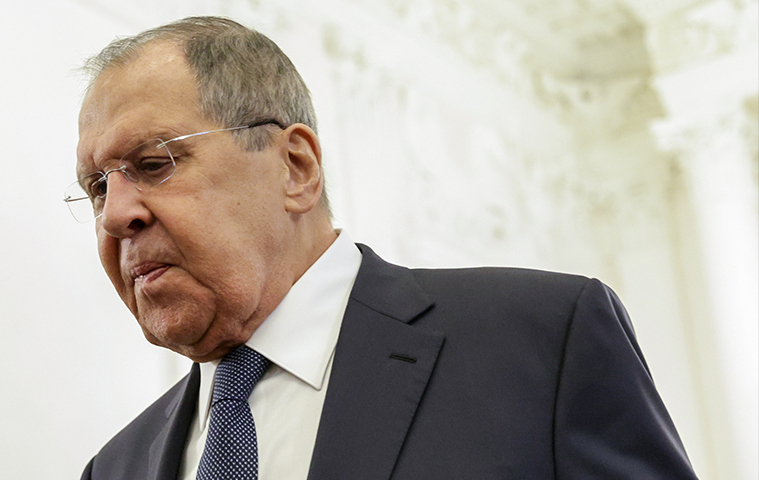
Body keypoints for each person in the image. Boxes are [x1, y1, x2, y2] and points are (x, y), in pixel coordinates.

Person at [68, 16, 698, 480]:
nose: (117, 215)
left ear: (294, 168)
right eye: (97, 188)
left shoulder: (542, 341)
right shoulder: (116, 467)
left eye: (154, 164)